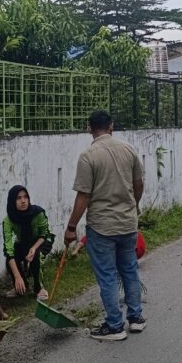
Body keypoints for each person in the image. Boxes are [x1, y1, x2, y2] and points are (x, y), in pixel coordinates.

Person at [64, 110, 145, 340]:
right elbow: (139, 184)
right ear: (111, 126)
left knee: (108, 275)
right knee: (129, 269)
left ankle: (115, 326)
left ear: (89, 129)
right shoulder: (128, 149)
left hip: (102, 227)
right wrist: (134, 206)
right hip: (128, 223)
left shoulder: (88, 156)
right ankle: (136, 318)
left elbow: (83, 196)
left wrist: (71, 227)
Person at [2, 185, 54, 301]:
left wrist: (34, 248)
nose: (23, 201)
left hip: (42, 240)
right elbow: (8, 249)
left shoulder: (38, 213)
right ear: (12, 201)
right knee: (11, 260)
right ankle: (22, 286)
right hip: (24, 242)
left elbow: (44, 233)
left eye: (25, 197)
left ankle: (39, 288)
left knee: (36, 256)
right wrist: (17, 277)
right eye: (18, 198)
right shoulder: (8, 220)